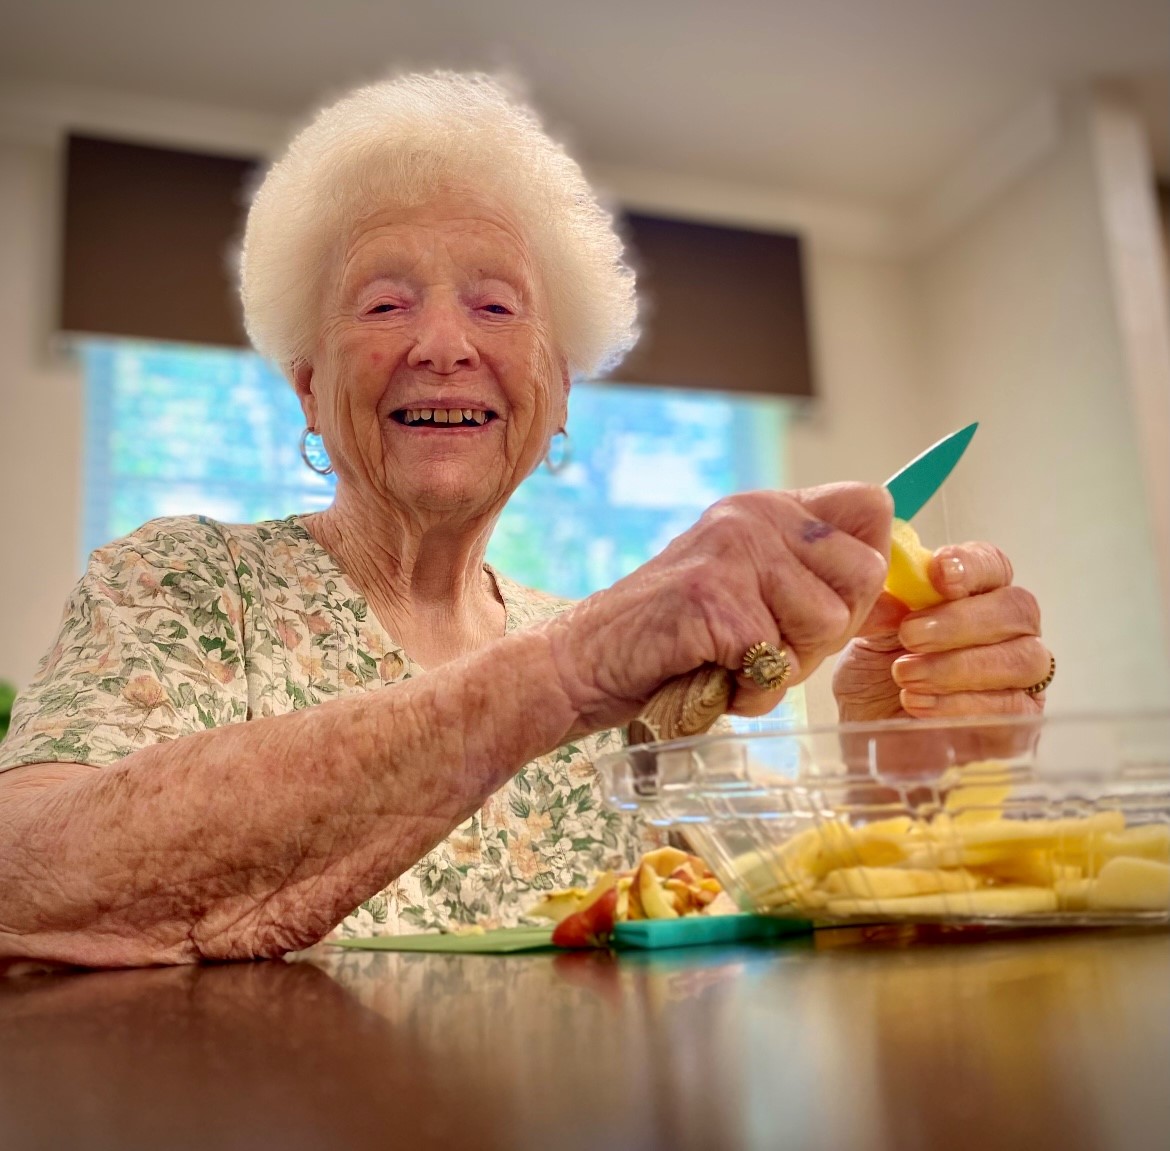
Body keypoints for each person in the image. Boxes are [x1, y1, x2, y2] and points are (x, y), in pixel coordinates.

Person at [0, 73, 1051, 967]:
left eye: (497, 306)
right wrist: (568, 670)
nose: (443, 344)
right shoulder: (185, 584)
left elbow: (783, 911)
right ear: (310, 387)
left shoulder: (645, 684)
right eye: (385, 303)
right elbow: (25, 874)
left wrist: (902, 783)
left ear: (556, 395)